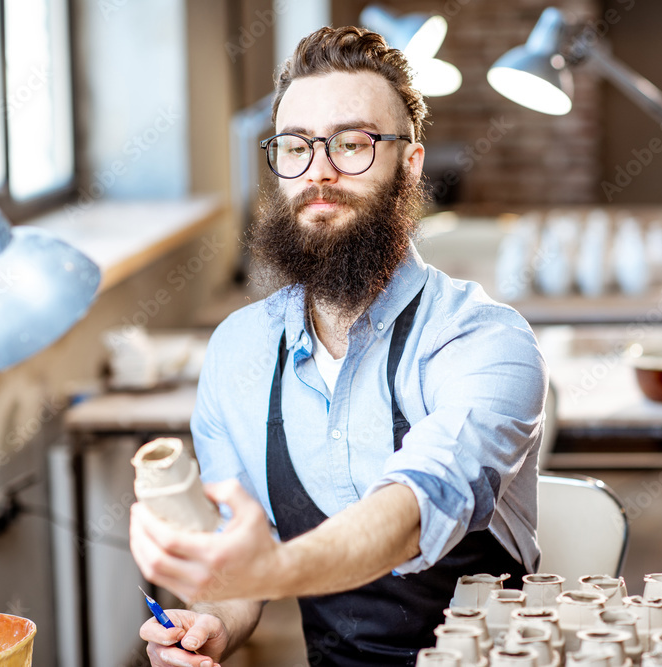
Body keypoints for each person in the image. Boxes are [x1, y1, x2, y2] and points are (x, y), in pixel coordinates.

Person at [129, 25, 549, 667]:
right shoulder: (238, 352)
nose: (319, 173)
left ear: (409, 163)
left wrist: (268, 572)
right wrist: (213, 619)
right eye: (296, 147)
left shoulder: (481, 339)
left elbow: (414, 509)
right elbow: (247, 551)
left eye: (352, 144)